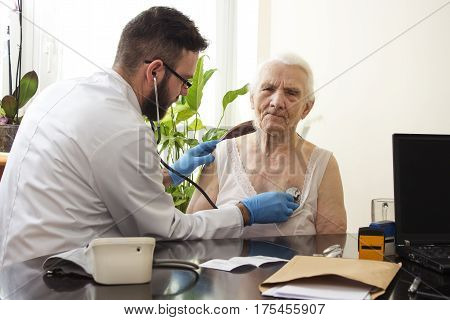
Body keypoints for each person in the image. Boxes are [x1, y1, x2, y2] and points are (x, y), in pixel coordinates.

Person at [0, 7, 298, 268]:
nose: (184, 92)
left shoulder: (62, 92)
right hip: (56, 280)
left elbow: (104, 182)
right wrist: (246, 212)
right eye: (185, 81)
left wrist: (169, 175)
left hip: (16, 265)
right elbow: (167, 230)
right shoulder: (122, 126)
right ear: (155, 70)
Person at [187, 53, 347, 237]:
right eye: (268, 89)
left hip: (297, 266)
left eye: (291, 93)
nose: (277, 102)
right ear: (252, 99)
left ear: (306, 108)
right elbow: (192, 230)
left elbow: (332, 248)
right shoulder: (222, 154)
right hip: (223, 266)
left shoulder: (324, 164)